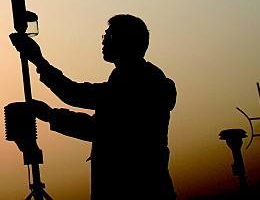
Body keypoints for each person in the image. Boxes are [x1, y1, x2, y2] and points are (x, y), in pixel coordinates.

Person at [10, 14, 176, 200]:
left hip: (136, 189)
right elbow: (99, 128)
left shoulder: (140, 83)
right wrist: (49, 114)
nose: (103, 42)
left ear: (124, 41)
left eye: (108, 36)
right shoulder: (133, 79)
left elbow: (74, 95)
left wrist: (38, 60)